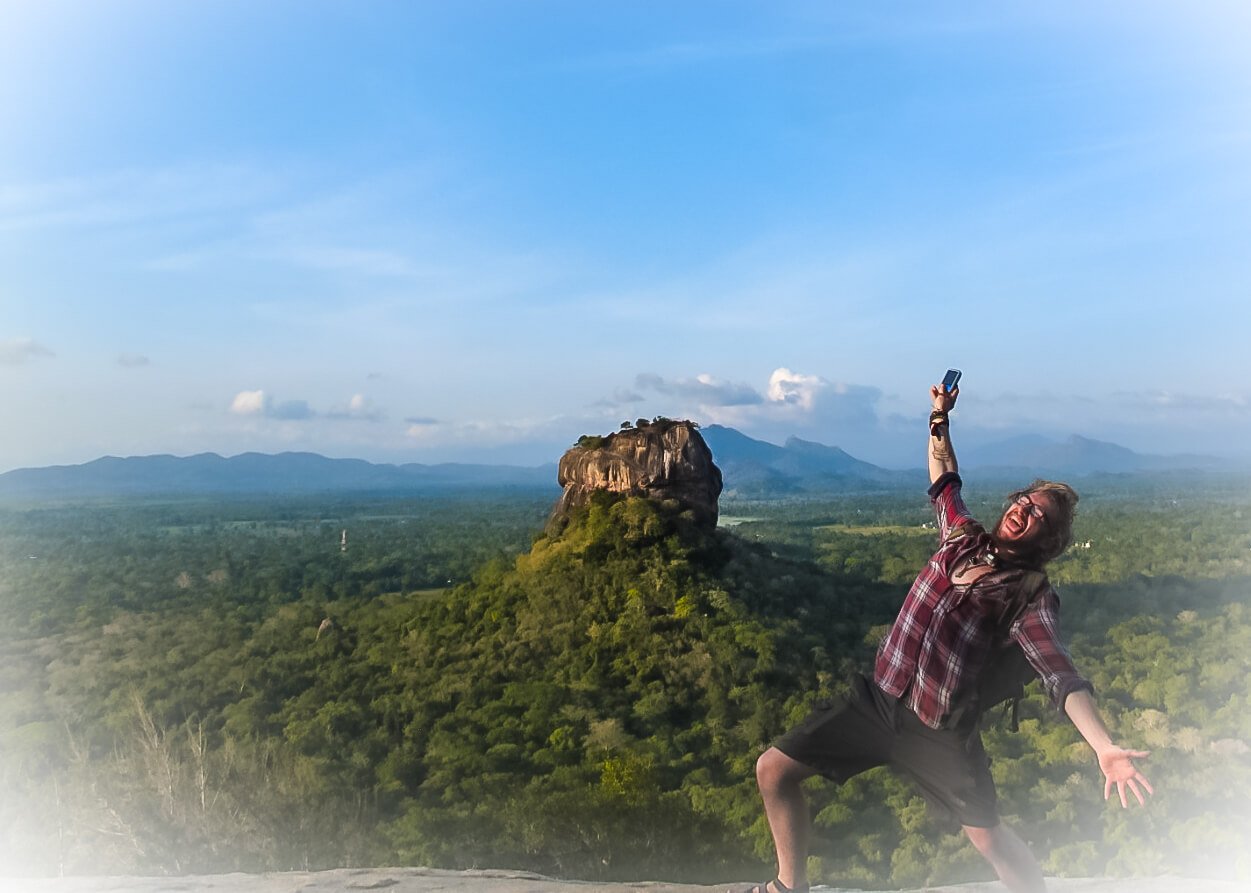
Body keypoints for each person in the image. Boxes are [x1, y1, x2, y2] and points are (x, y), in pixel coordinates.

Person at [741, 380, 1153, 893]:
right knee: (773, 770)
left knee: (988, 838)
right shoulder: (961, 538)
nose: (1023, 510)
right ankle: (789, 886)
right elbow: (945, 480)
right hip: (878, 699)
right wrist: (939, 416)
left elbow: (1059, 673)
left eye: (1038, 514)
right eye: (1024, 499)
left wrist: (1104, 746)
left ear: (1048, 541)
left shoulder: (1029, 594)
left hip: (939, 731)